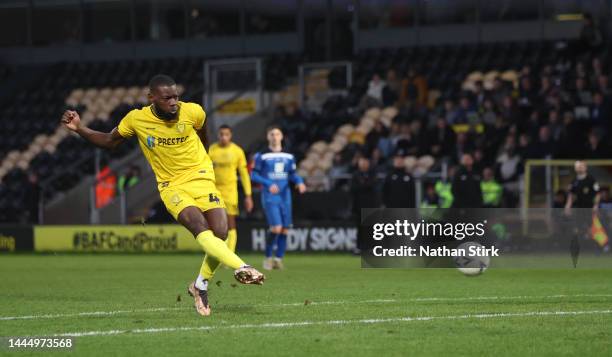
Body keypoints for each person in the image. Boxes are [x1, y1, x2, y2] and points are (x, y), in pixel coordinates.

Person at [61, 74, 264, 317]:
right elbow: (107, 141)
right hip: (172, 186)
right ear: (152, 98)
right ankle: (243, 267)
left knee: (221, 232)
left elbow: (203, 133)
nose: (173, 102)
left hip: (202, 179)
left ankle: (199, 286)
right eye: (167, 98)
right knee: (200, 227)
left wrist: (205, 161)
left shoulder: (194, 112)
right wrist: (79, 129)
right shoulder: (137, 119)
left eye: (176, 96)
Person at [251, 126, 306, 270]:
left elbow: (292, 173)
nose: (275, 137)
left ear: (281, 136)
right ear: (268, 137)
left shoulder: (289, 156)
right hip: (270, 196)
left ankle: (278, 259)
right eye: (272, 134)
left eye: (277, 134)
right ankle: (268, 258)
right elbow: (254, 175)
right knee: (276, 228)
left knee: (285, 229)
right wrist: (268, 183)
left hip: (285, 196)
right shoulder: (261, 155)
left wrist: (299, 182)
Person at [208, 125, 254, 255]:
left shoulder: (237, 151)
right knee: (215, 225)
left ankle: (229, 254)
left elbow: (244, 174)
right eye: (221, 134)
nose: (223, 137)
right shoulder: (212, 150)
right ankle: (219, 253)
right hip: (214, 191)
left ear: (231, 135)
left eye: (226, 134)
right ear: (218, 135)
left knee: (230, 222)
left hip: (230, 191)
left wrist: (248, 195)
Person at [564, 161, 601, 264]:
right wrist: (568, 205)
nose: (579, 168)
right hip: (578, 209)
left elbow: (597, 194)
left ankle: (597, 249)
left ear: (585, 167)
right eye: (578, 166)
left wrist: (596, 205)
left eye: (581, 166)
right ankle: (579, 252)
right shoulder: (574, 181)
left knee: (591, 230)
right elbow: (571, 195)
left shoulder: (591, 180)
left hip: (589, 209)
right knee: (577, 230)